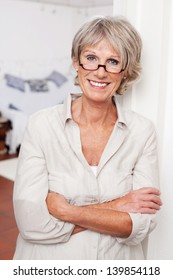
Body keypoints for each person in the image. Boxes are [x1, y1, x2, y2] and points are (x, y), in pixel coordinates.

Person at [13, 16, 162, 260]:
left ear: (125, 72)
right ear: (76, 62)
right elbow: (31, 224)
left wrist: (65, 210)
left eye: (113, 61)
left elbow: (143, 223)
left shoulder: (142, 131)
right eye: (91, 58)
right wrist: (119, 204)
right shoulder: (41, 125)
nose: (100, 72)